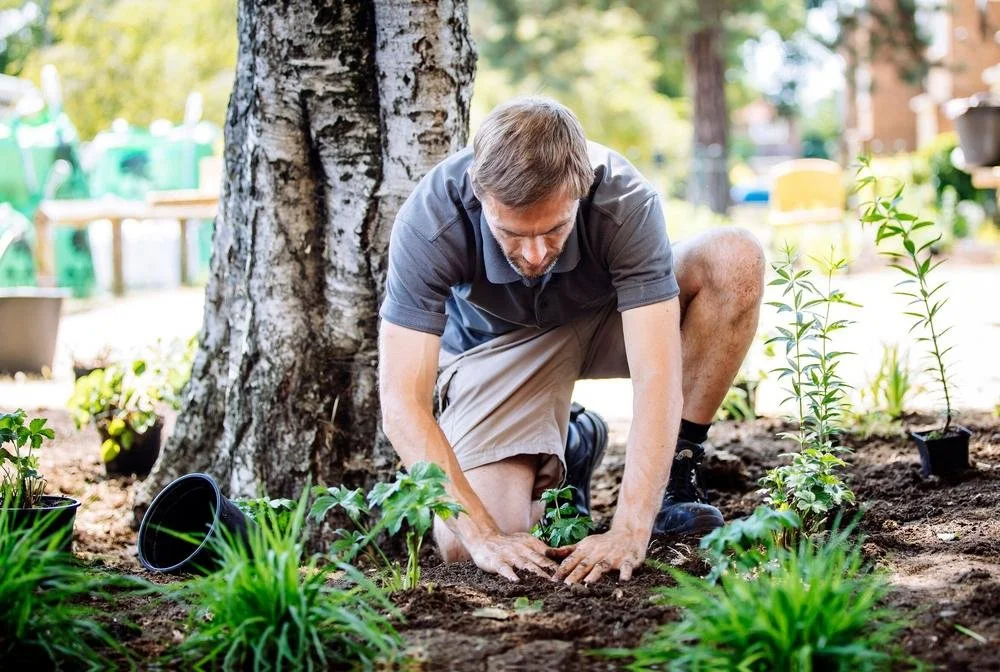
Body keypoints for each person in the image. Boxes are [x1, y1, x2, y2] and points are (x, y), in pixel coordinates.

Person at [378, 97, 764, 585]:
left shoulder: (624, 199)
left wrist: (629, 530)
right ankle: (573, 440)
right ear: (480, 194)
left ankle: (677, 476)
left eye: (555, 227)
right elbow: (401, 403)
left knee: (734, 258)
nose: (537, 254)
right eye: (512, 233)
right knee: (464, 545)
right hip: (497, 350)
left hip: (603, 318)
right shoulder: (431, 219)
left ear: (582, 190)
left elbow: (657, 377)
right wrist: (484, 535)